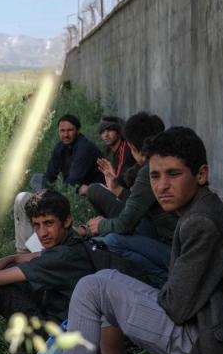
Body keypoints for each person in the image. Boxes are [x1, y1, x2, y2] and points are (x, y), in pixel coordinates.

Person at [53, 127, 223, 354]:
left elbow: (177, 306)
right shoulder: (201, 211)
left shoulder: (203, 223)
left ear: (201, 175)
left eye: (173, 174)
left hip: (220, 347)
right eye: (155, 175)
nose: (162, 186)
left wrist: (142, 294)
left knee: (94, 288)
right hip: (216, 330)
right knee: (103, 283)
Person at [0, 190, 97, 335]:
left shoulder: (62, 255)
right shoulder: (72, 240)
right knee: (12, 272)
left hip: (58, 339)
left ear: (67, 221)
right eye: (37, 226)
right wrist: (8, 260)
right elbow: (22, 257)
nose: (42, 233)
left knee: (0, 291)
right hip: (64, 321)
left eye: (48, 223)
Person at [81, 112, 178, 280]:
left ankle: (164, 282)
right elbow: (139, 206)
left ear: (132, 147)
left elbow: (126, 223)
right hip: (170, 237)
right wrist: (117, 187)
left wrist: (103, 225)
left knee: (112, 241)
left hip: (177, 251)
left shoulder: (150, 169)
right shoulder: (161, 161)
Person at [14, 114, 104, 252]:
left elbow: (72, 182)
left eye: (70, 130)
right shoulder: (61, 147)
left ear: (78, 131)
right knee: (24, 196)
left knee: (44, 209)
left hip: (85, 200)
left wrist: (48, 200)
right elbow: (49, 175)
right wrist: (41, 197)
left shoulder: (84, 148)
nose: (66, 135)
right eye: (62, 131)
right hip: (67, 193)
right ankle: (23, 251)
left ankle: (36, 252)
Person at [81, 116, 135, 201]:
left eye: (109, 130)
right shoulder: (115, 153)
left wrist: (100, 188)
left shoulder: (125, 147)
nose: (106, 135)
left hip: (130, 198)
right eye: (102, 132)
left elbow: (120, 180)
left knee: (92, 189)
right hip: (124, 194)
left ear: (118, 132)